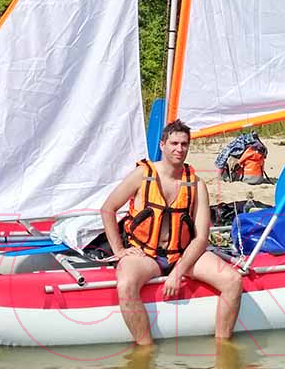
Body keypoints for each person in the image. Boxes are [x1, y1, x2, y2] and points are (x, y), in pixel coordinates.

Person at [101, 119, 243, 345]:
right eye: (174, 143)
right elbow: (108, 209)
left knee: (233, 281)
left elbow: (201, 237)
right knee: (126, 284)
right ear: (162, 145)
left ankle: (222, 346)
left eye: (184, 144)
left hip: (183, 253)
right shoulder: (142, 175)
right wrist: (119, 250)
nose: (179, 149)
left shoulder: (196, 185)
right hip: (146, 255)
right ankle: (145, 349)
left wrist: (178, 272)